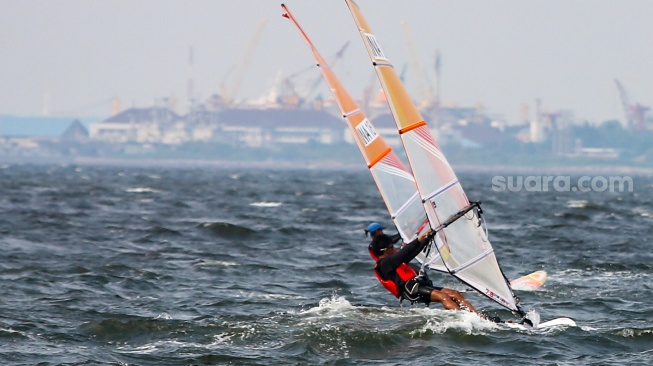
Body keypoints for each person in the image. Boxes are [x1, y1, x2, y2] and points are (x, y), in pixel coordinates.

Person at [366, 222, 481, 313]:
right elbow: (404, 252)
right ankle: (462, 319)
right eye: (392, 247)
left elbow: (411, 253)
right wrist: (419, 239)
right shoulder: (385, 263)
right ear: (385, 250)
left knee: (455, 293)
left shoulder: (392, 261)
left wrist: (426, 239)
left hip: (418, 285)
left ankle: (478, 317)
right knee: (443, 297)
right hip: (410, 290)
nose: (394, 248)